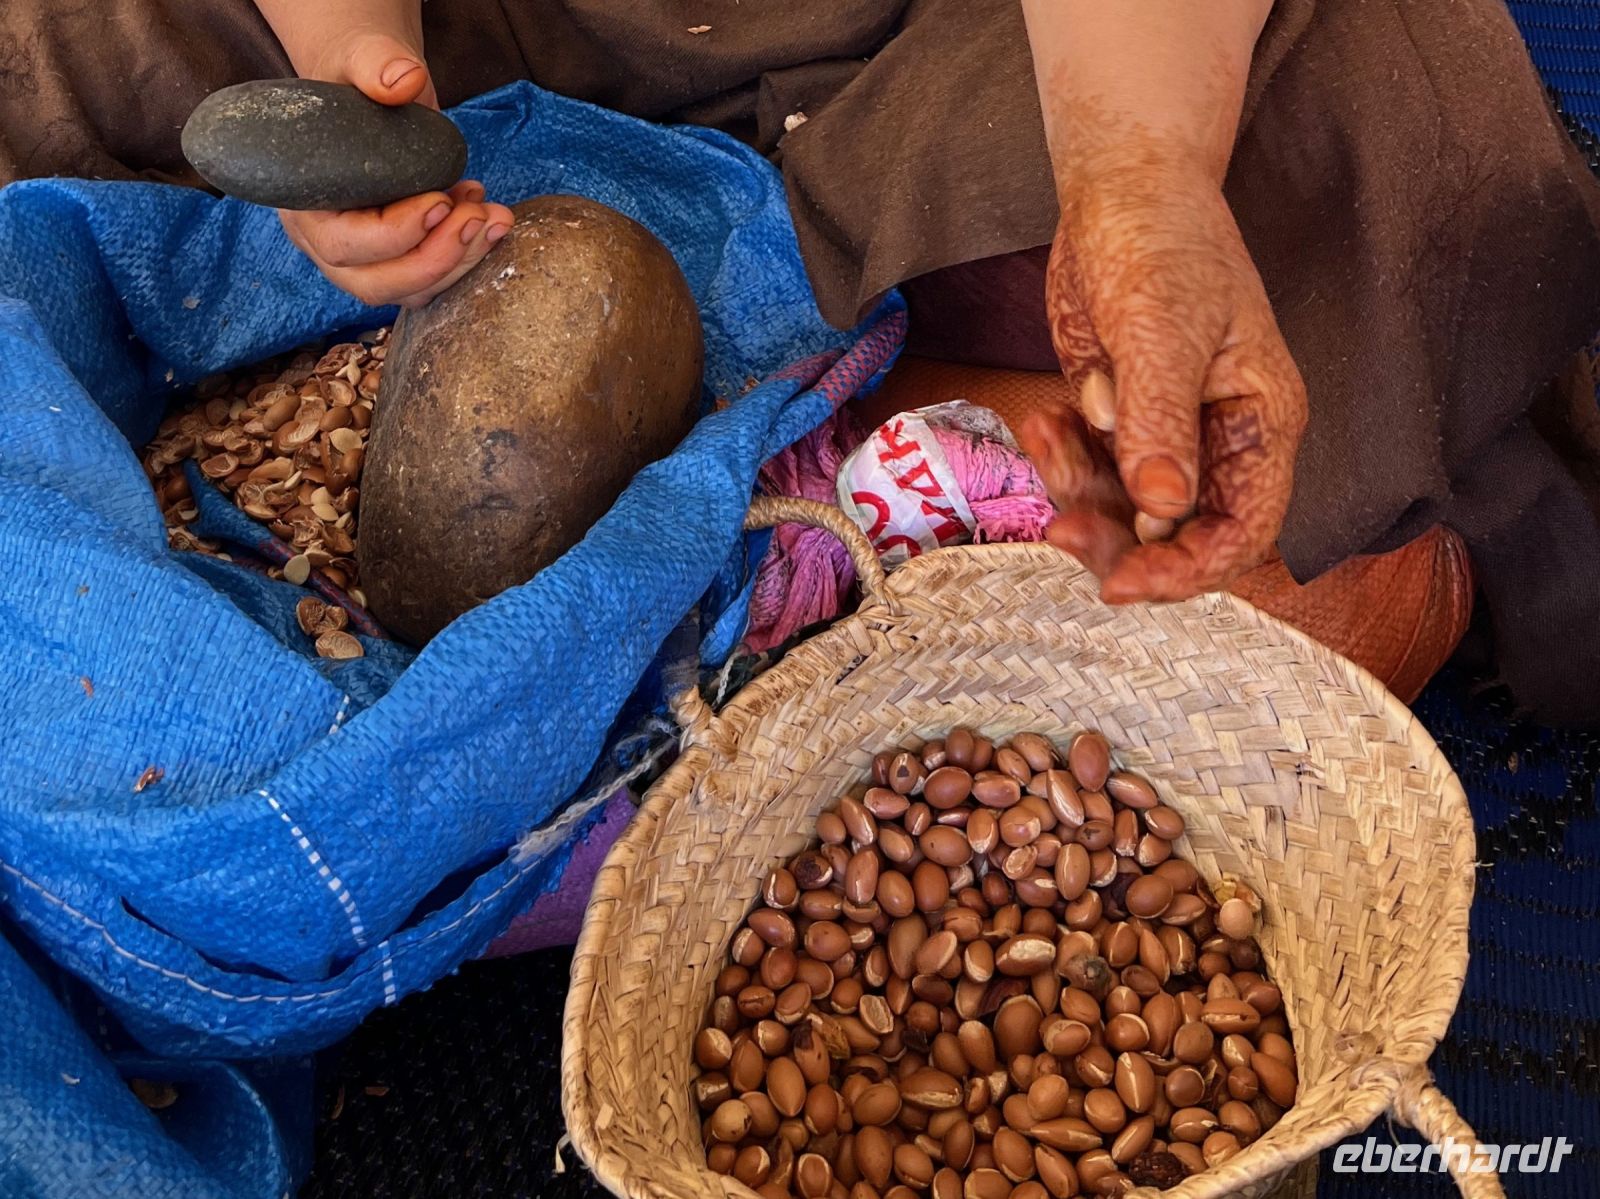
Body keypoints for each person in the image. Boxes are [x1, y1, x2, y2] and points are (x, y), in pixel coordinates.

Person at [3, 0, 1600, 721]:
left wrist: (1140, 176)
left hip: (957, 54)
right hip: (508, 43)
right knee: (53, 50)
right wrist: (349, 74)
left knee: (1395, 106)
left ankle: (829, 457)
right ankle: (892, 464)